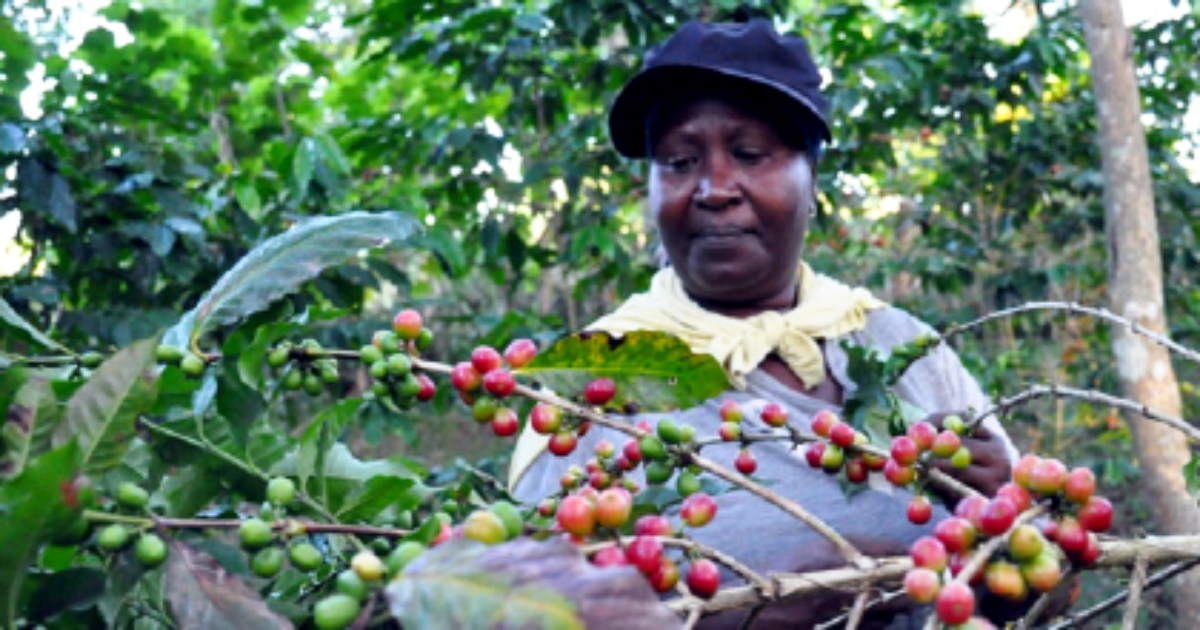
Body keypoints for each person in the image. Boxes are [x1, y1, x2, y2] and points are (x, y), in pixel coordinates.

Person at [510, 18, 1018, 629]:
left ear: (812, 181)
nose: (714, 188)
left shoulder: (900, 346)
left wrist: (1003, 522)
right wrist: (773, 607)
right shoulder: (591, 377)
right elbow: (530, 609)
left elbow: (1044, 590)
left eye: (750, 154)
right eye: (678, 161)